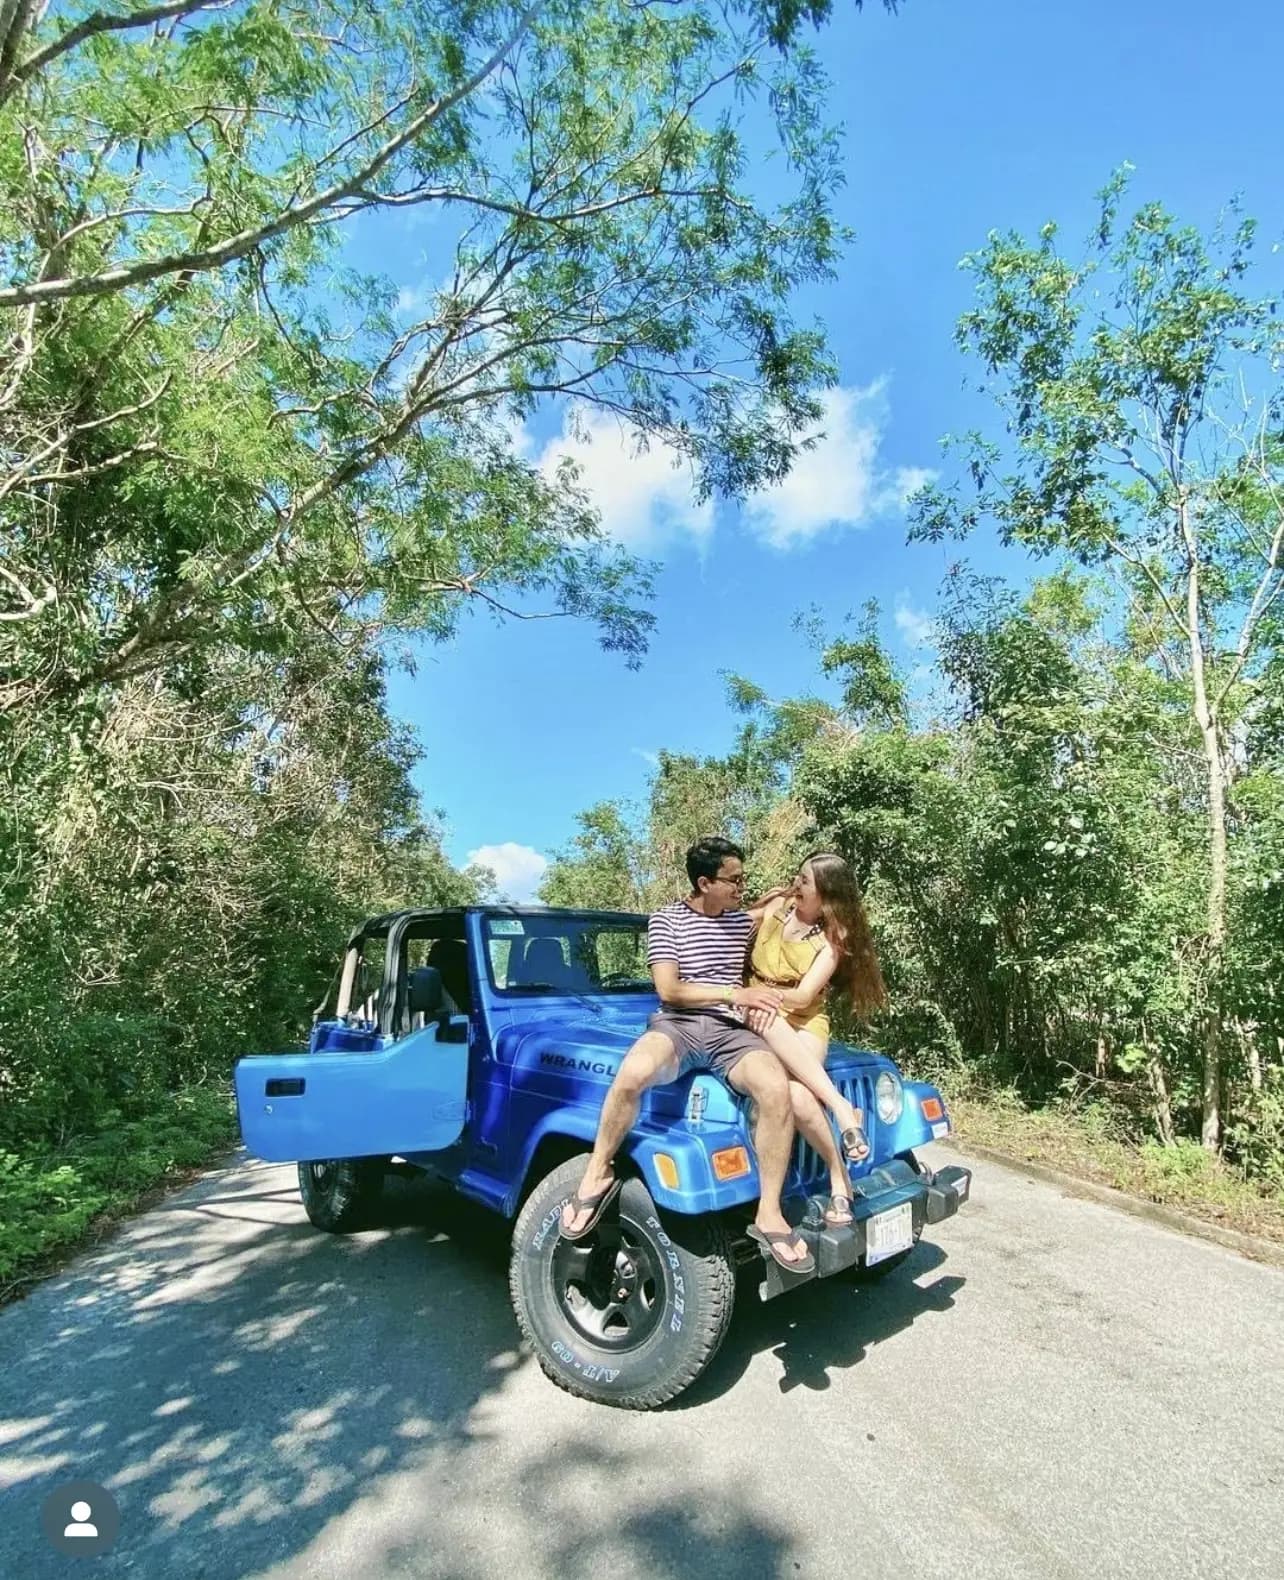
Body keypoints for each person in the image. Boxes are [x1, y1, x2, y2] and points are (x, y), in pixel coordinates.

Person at [558, 835, 814, 1271]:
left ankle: (769, 1210)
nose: (741, 887)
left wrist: (789, 895)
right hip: (677, 1023)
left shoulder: (740, 919)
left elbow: (785, 908)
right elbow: (669, 989)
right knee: (632, 1074)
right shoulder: (667, 921)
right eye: (733, 880)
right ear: (704, 882)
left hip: (729, 1030)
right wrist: (736, 992)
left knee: (775, 1088)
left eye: (742, 879)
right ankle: (598, 1169)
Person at [743, 851, 889, 1230]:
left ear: (826, 896)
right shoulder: (776, 906)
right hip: (757, 1007)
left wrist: (766, 997)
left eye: (806, 881)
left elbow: (805, 996)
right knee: (772, 1029)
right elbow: (732, 925)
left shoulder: (831, 941)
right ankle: (841, 1112)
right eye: (799, 875)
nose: (797, 883)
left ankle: (839, 1179)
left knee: (797, 1093)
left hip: (804, 1019)